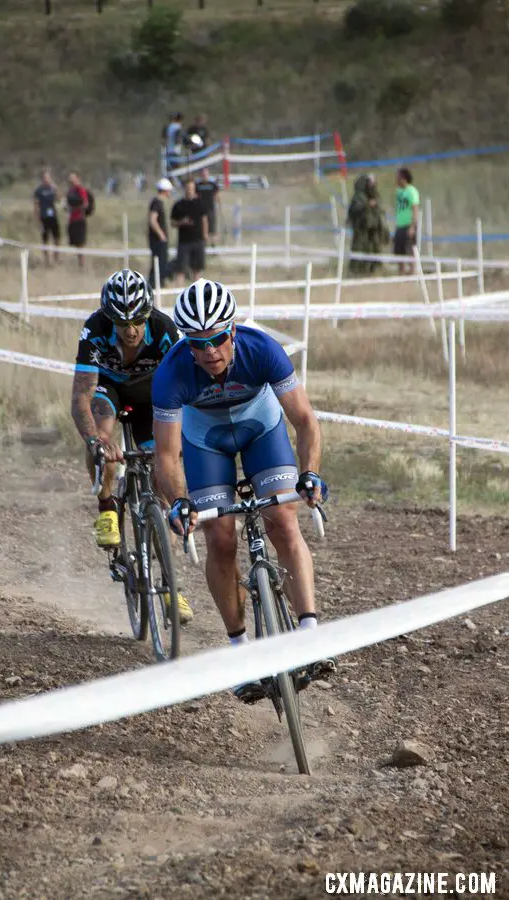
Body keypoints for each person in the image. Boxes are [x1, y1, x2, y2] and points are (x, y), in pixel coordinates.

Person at [152, 279, 334, 702]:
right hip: (206, 441)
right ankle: (240, 651)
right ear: (187, 344)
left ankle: (309, 634)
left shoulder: (262, 349)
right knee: (219, 536)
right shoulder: (172, 372)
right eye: (198, 343)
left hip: (260, 430)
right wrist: (179, 501)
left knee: (283, 519)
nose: (209, 351)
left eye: (217, 339)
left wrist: (309, 473)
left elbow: (305, 421)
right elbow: (166, 455)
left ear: (231, 332)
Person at [71, 269, 193, 623]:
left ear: (148, 313)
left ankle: (172, 590)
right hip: (109, 390)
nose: (130, 330)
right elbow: (81, 394)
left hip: (150, 396)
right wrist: (95, 441)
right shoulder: (94, 330)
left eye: (137, 320)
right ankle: (107, 506)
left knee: (163, 485)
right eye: (121, 322)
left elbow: (185, 386)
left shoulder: (166, 330)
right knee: (103, 433)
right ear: (109, 317)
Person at [347, 173, 389, 275]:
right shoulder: (359, 197)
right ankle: (356, 270)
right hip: (361, 228)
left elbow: (379, 209)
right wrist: (368, 205)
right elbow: (357, 210)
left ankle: (374, 268)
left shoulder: (373, 195)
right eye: (369, 183)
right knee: (359, 248)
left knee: (375, 248)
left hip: (373, 227)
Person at [170, 180, 208, 285]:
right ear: (184, 189)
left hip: (198, 240)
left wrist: (205, 234)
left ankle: (196, 291)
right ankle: (178, 291)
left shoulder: (200, 203)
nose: (190, 190)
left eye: (191, 188)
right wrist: (182, 222)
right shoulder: (178, 205)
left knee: (197, 269)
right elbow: (172, 223)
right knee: (180, 269)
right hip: (184, 242)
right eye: (188, 188)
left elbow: (204, 219)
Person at [394, 167, 420, 275]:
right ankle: (401, 270)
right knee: (398, 249)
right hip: (400, 224)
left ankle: (412, 270)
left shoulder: (412, 191)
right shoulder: (398, 191)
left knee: (409, 248)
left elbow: (415, 209)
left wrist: (413, 226)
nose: (396, 180)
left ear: (404, 178)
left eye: (398, 177)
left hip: (409, 224)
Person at [148, 178, 173, 288]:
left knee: (162, 262)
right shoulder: (157, 202)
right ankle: (155, 284)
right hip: (158, 240)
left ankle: (160, 283)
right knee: (158, 263)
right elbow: (152, 220)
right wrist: (161, 234)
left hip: (159, 239)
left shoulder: (159, 202)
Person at [33, 168, 60, 265]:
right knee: (45, 239)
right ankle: (46, 259)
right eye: (45, 178)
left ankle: (56, 258)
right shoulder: (39, 190)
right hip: (44, 216)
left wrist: (55, 188)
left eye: (48, 177)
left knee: (56, 238)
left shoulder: (52, 188)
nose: (46, 179)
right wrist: (37, 218)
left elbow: (59, 199)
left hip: (53, 216)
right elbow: (36, 205)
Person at [66, 172, 89, 269]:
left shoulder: (81, 190)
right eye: (70, 180)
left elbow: (85, 204)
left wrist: (76, 209)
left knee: (80, 243)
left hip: (79, 219)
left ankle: (82, 265)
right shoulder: (70, 191)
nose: (71, 181)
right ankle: (79, 264)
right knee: (75, 243)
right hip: (72, 220)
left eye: (73, 179)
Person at [195, 167, 221, 248]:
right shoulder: (197, 185)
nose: (204, 175)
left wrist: (219, 206)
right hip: (200, 210)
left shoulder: (212, 184)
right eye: (203, 174)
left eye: (206, 173)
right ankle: (203, 246)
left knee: (212, 230)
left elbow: (216, 196)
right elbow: (195, 196)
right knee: (202, 229)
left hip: (210, 210)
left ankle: (213, 247)